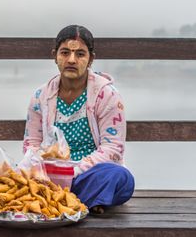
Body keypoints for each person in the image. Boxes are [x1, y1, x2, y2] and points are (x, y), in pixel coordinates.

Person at [23, 25, 134, 214]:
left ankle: (55, 201)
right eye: (65, 53)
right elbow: (31, 143)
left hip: (88, 175)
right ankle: (84, 202)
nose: (71, 60)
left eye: (80, 54)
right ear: (54, 56)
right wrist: (45, 167)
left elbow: (113, 149)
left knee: (121, 178)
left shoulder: (107, 95)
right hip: (49, 175)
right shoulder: (40, 96)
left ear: (91, 59)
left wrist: (73, 171)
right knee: (11, 175)